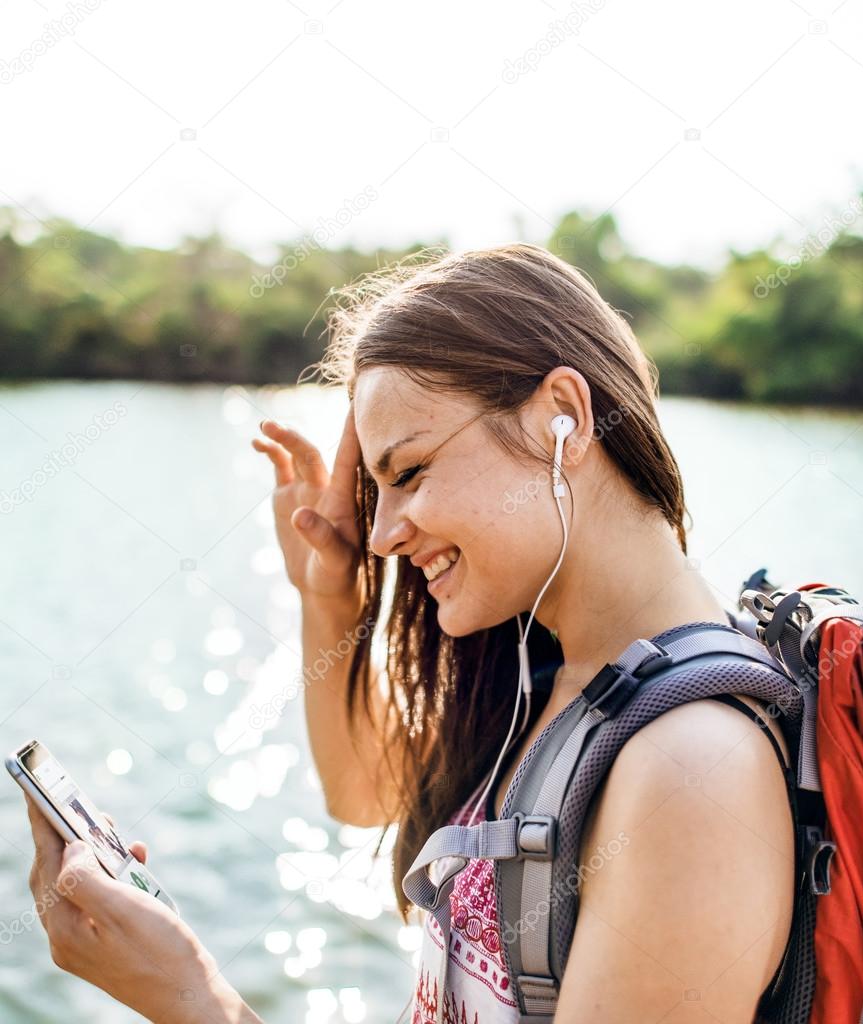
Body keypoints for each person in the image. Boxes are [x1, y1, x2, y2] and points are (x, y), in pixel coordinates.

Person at [24, 243, 795, 1024]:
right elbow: (365, 793)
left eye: (411, 472)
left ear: (562, 414)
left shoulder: (692, 772)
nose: (384, 532)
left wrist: (193, 1000)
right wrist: (328, 595)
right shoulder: (549, 668)